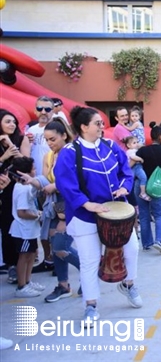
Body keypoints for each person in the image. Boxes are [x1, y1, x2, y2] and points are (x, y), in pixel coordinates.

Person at [55, 106, 142, 324]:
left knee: (132, 249)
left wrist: (124, 187)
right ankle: (91, 305)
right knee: (90, 260)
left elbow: (125, 171)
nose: (102, 127)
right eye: (97, 123)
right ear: (84, 127)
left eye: (102, 123)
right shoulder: (69, 152)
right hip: (85, 215)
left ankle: (128, 284)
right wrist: (87, 204)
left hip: (116, 212)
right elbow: (65, 184)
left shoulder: (111, 146)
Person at [18, 118, 81, 302]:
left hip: (70, 204)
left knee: (61, 246)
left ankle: (90, 271)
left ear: (64, 135)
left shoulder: (73, 153)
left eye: (53, 139)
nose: (49, 143)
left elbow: (77, 182)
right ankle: (63, 285)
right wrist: (32, 181)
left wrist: (56, 186)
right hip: (54, 206)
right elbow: (46, 181)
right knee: (55, 248)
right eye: (46, 140)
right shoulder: (50, 156)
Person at [0, 109, 30, 284]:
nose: (12, 124)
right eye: (7, 122)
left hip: (18, 187)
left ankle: (24, 260)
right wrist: (4, 156)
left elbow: (25, 163)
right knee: (6, 225)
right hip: (3, 188)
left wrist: (11, 146)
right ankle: (11, 263)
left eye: (13, 122)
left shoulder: (21, 139)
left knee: (20, 221)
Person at [26, 96, 56, 270]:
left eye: (47, 109)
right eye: (40, 108)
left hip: (52, 184)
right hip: (36, 183)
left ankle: (57, 260)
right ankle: (48, 260)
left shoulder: (58, 130)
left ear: (53, 110)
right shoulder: (31, 131)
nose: (43, 112)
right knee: (42, 224)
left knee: (53, 225)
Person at [10, 156, 45, 297]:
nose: (35, 170)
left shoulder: (26, 187)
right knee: (24, 257)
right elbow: (22, 212)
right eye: (33, 169)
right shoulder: (22, 190)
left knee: (32, 255)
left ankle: (28, 281)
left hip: (30, 229)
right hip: (23, 229)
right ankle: (21, 286)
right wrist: (38, 215)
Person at [135, 126, 161, 253]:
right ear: (160, 136)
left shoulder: (142, 150)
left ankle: (146, 243)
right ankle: (158, 241)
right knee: (158, 214)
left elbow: (135, 164)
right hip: (156, 185)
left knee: (144, 215)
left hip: (140, 185)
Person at [123, 136, 151, 201]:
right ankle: (127, 193)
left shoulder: (136, 150)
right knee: (130, 180)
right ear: (128, 145)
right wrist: (141, 159)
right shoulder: (129, 151)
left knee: (143, 177)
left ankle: (142, 192)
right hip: (133, 168)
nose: (136, 144)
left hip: (138, 167)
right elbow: (133, 157)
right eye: (134, 143)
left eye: (137, 142)